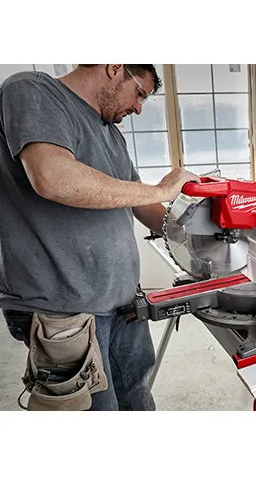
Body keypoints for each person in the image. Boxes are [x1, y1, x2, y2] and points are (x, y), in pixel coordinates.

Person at [0, 64, 199, 411]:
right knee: (96, 410)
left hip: (123, 301)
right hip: (65, 309)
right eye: (139, 93)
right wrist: (163, 188)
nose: (139, 108)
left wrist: (197, 235)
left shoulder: (112, 135)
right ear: (114, 67)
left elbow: (141, 203)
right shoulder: (33, 90)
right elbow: (52, 177)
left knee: (137, 399)